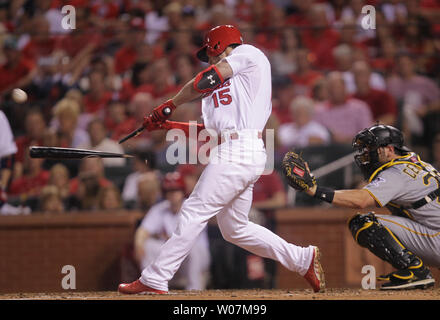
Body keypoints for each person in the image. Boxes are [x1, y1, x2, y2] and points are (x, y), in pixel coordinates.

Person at [118, 24, 325, 294]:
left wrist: (169, 104)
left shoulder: (248, 54)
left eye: (211, 52)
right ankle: (301, 259)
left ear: (220, 44)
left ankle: (156, 277)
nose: (210, 58)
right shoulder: (218, 95)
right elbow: (209, 132)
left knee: (194, 210)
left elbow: (209, 77)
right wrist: (169, 125)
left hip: (241, 148)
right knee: (234, 229)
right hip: (235, 150)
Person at [285, 124, 440, 290]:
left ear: (389, 150)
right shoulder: (414, 164)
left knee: (364, 222)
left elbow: (361, 200)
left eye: (371, 148)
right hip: (433, 234)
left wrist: (316, 191)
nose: (366, 154)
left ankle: (416, 271)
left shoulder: (397, 171)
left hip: (436, 238)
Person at [134, 172, 210, 290]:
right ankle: (151, 284)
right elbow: (143, 231)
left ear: (182, 191)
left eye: (176, 190)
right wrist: (139, 244)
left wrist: (168, 239)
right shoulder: (159, 208)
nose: (172, 194)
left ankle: (194, 289)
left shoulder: (193, 206)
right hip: (172, 256)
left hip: (194, 257)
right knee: (148, 245)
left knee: (193, 248)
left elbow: (187, 239)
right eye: (169, 191)